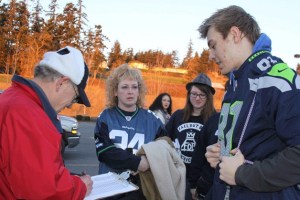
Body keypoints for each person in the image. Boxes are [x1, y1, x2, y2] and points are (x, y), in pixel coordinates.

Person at [199, 5, 300, 199]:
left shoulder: (279, 80)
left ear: (235, 34)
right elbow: (249, 147)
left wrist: (242, 174)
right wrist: (220, 154)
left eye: (213, 45)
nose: (211, 55)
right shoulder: (235, 85)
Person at [0, 46, 93, 199]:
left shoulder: (12, 99)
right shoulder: (30, 116)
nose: (70, 104)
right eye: (76, 97)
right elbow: (43, 191)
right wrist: (80, 187)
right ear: (61, 83)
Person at [94, 63, 167, 199]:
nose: (130, 91)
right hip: (110, 190)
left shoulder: (153, 121)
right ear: (115, 91)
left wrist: (150, 159)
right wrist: (137, 162)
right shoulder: (105, 117)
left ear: (139, 91)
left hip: (141, 190)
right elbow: (105, 152)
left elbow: (165, 150)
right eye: (124, 87)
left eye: (134, 87)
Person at [165, 73, 216, 200]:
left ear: (208, 97)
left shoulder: (215, 119)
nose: (197, 98)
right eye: (194, 94)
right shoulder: (178, 116)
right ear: (189, 95)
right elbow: (164, 139)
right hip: (178, 176)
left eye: (202, 95)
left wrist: (198, 183)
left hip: (202, 180)